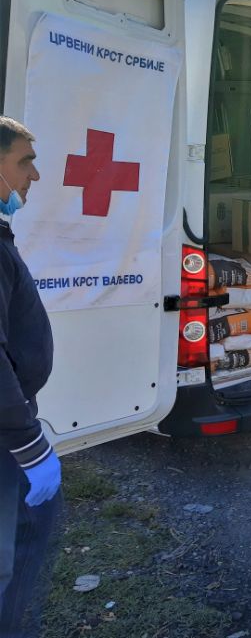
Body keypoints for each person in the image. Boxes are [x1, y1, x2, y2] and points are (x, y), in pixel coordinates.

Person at [0, 117, 63, 635]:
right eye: (24, 161)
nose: (34, 175)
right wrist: (29, 445)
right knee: (10, 558)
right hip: (5, 439)